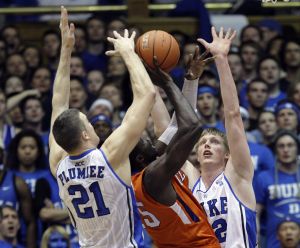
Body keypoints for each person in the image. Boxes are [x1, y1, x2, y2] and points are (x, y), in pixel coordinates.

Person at [49, 7, 155, 247]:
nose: (92, 119)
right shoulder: (110, 157)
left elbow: (57, 104)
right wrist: (129, 53)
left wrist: (66, 52)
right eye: (87, 119)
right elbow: (147, 94)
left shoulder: (58, 164)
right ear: (85, 133)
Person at [131, 49, 220, 246]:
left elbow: (176, 126)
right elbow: (192, 126)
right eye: (143, 140)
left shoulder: (147, 170)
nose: (149, 139)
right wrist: (167, 82)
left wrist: (191, 80)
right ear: (139, 158)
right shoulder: (153, 177)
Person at [193, 27, 257, 247]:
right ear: (196, 154)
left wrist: (221, 59)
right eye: (202, 143)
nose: (207, 145)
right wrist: (191, 80)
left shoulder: (238, 176)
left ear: (228, 154)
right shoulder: (192, 185)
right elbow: (168, 129)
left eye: (214, 142)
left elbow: (232, 115)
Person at [255, 130, 300, 248]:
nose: (286, 150)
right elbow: (255, 215)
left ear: (297, 149)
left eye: (290, 145)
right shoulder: (263, 178)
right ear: (275, 151)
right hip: (274, 243)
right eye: (281, 146)